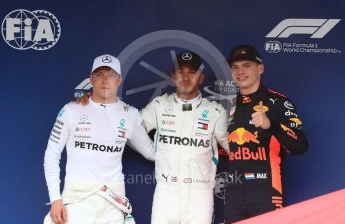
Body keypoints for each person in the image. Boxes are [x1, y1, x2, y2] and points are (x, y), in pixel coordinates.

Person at [43, 54, 155, 224]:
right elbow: (51, 154)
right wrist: (55, 198)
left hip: (112, 205)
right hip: (76, 204)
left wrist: (192, 154)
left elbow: (150, 151)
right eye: (99, 74)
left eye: (111, 75)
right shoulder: (71, 110)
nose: (105, 80)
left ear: (119, 80)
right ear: (91, 79)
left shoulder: (129, 114)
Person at [140, 51, 229, 224]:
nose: (186, 78)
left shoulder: (216, 112)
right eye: (181, 72)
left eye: (192, 73)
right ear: (173, 77)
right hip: (166, 192)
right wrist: (151, 152)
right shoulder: (159, 105)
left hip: (199, 194)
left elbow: (234, 147)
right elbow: (129, 130)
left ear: (201, 77)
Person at [224, 45, 308, 223]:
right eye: (235, 67)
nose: (240, 72)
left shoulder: (278, 102)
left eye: (247, 65)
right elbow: (223, 149)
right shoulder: (225, 107)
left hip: (267, 194)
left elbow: (300, 146)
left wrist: (271, 125)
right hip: (234, 196)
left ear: (260, 68)